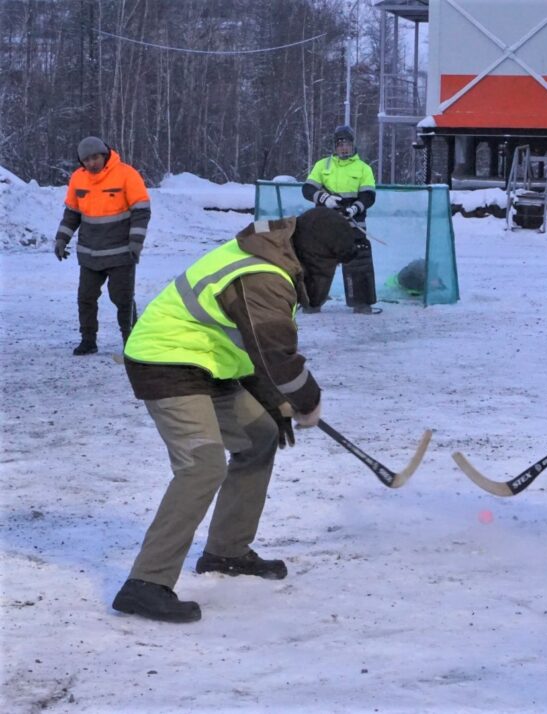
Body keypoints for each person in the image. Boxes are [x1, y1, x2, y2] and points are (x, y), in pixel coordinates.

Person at [112, 207, 357, 623]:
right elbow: (276, 354)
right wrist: (306, 401)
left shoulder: (277, 257)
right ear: (319, 258)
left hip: (209, 362)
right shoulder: (265, 276)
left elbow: (250, 349)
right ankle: (145, 584)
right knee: (201, 467)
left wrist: (270, 400)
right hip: (165, 361)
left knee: (260, 436)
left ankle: (226, 552)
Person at [54, 136, 151, 355]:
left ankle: (131, 342)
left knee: (122, 299)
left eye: (95, 157)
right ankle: (88, 340)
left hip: (121, 253)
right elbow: (72, 214)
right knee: (85, 298)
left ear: (104, 155)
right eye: (86, 160)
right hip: (90, 253)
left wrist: (136, 242)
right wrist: (62, 239)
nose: (91, 163)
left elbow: (141, 211)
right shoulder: (78, 179)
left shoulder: (127, 174)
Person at [301, 125, 379, 314]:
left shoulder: (363, 169)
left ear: (353, 145)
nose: (344, 148)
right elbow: (307, 189)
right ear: (334, 146)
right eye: (340, 144)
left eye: (347, 144)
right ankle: (312, 302)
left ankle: (361, 302)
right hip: (325, 226)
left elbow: (369, 196)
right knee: (317, 262)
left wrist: (354, 208)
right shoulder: (322, 165)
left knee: (358, 260)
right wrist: (324, 199)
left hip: (353, 225)